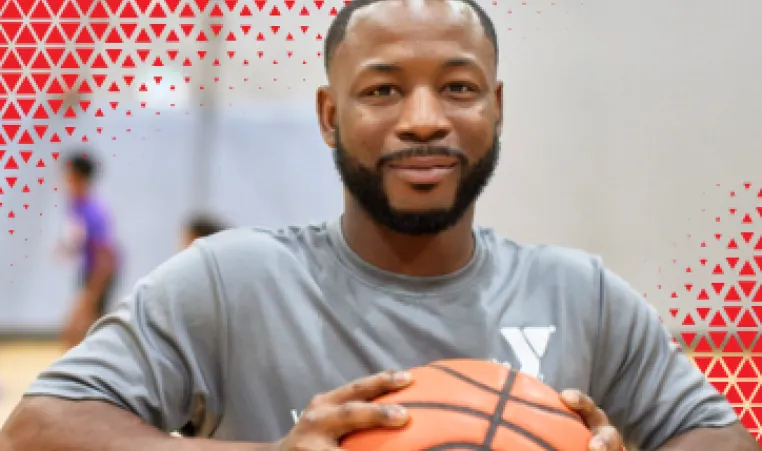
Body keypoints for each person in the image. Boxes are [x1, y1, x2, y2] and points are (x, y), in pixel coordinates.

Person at [1, 1, 758, 450]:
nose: (423, 121)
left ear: (497, 107)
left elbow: (723, 436)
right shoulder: (231, 282)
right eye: (383, 90)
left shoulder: (582, 293)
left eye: (458, 88)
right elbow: (36, 429)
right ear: (331, 116)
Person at [56, 151, 120, 350]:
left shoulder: (93, 211)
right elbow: (77, 238)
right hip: (88, 270)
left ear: (77, 178)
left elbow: (105, 254)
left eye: (68, 176)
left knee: (76, 329)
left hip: (99, 272)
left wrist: (94, 290)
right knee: (82, 330)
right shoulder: (75, 205)